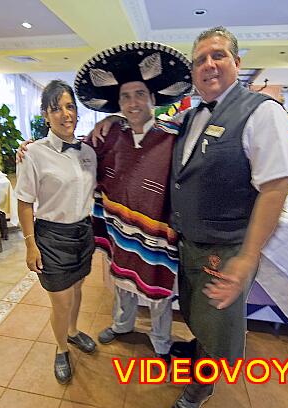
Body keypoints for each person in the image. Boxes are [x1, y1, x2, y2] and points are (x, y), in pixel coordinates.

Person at [165, 26, 288, 408]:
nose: (209, 64)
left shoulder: (262, 112)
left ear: (237, 64)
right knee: (198, 313)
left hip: (226, 248)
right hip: (192, 244)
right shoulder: (189, 116)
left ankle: (199, 388)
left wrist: (247, 257)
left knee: (218, 323)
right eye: (200, 60)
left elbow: (275, 188)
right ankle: (198, 353)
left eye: (218, 55)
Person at [73, 42, 192, 365]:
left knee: (157, 289)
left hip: (156, 230)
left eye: (139, 94)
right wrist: (33, 152)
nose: (133, 102)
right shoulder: (108, 135)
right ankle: (122, 325)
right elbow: (76, 157)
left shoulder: (174, 136)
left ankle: (161, 341)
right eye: (125, 97)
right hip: (118, 226)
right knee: (121, 279)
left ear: (153, 99)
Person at [15, 80, 97, 385]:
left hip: (82, 233)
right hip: (51, 237)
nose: (65, 114)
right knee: (60, 301)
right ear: (45, 115)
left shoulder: (89, 151)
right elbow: (24, 202)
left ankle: (73, 332)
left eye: (70, 106)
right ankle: (61, 348)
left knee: (77, 291)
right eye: (56, 108)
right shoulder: (34, 154)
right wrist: (30, 245)